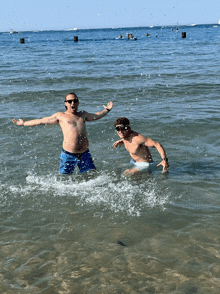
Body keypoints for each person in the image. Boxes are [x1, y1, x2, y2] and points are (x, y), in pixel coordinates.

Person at [12, 92, 113, 175]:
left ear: (78, 103)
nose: (72, 103)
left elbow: (96, 115)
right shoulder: (60, 116)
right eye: (70, 101)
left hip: (84, 154)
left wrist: (107, 109)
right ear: (65, 104)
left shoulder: (83, 115)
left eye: (75, 100)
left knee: (92, 176)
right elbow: (41, 121)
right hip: (68, 155)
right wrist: (24, 123)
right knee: (64, 180)